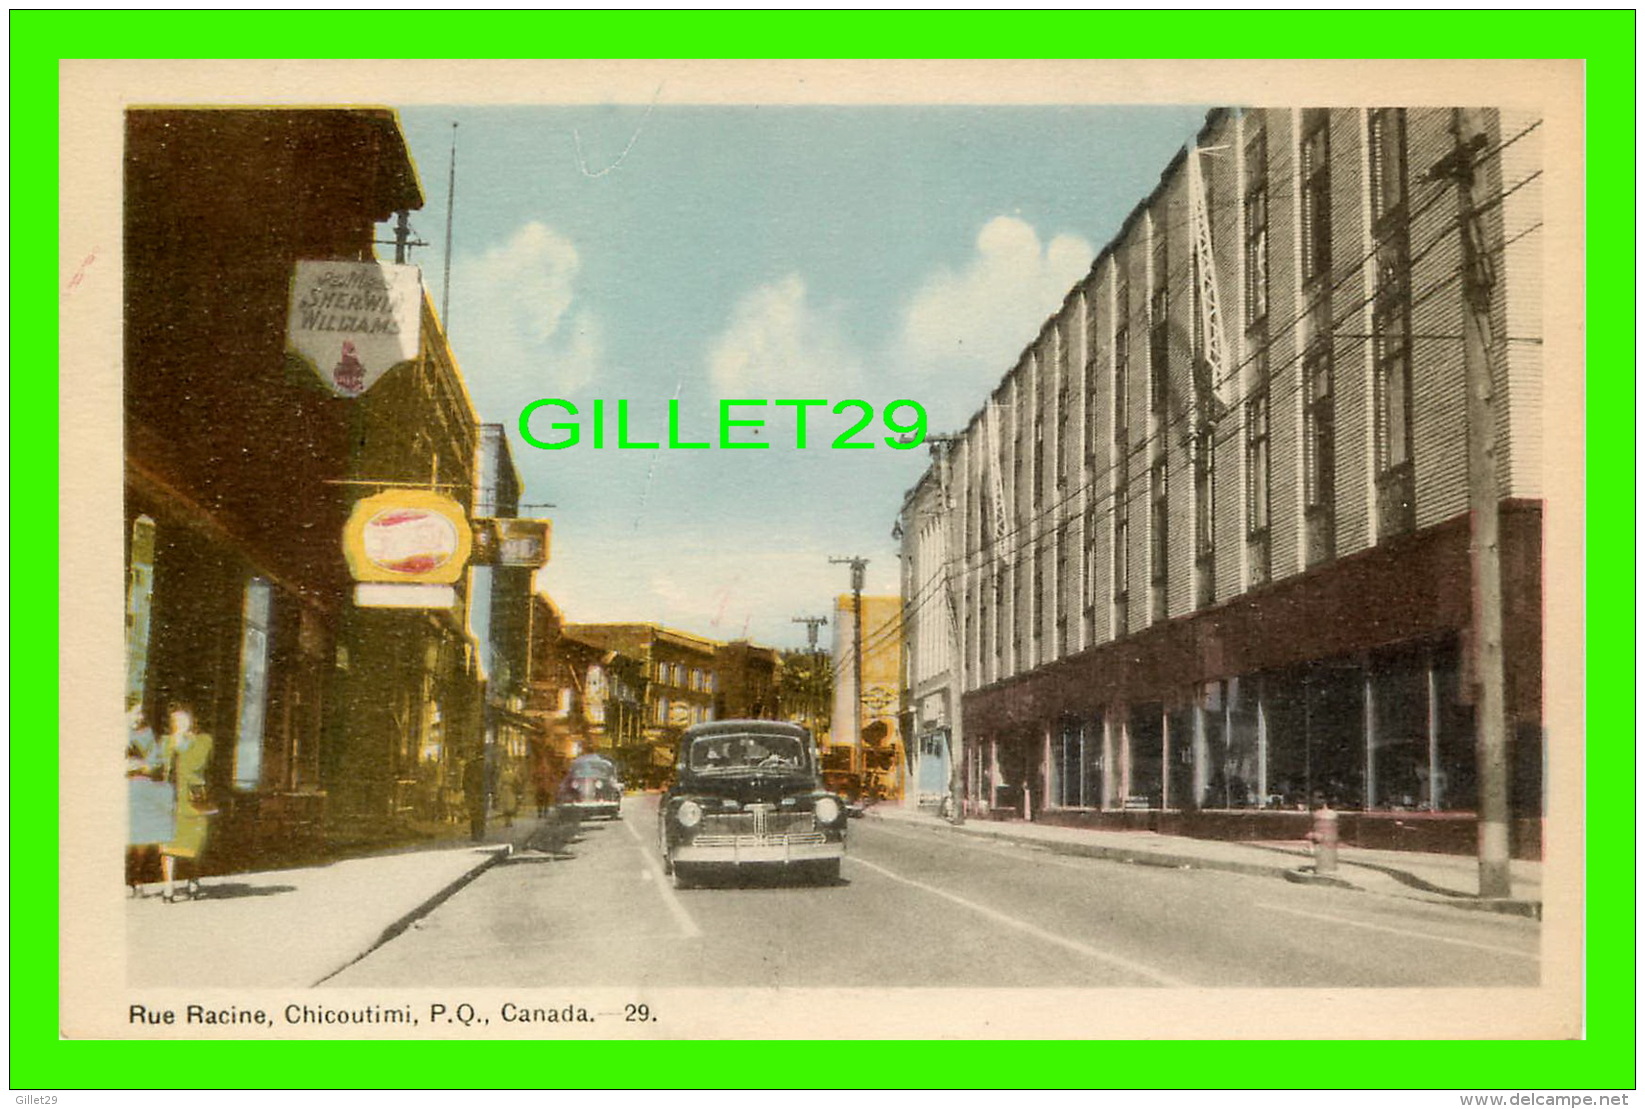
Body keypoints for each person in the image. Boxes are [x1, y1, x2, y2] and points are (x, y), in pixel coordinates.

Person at [159, 706, 213, 903]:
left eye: (185, 720)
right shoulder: (166, 741)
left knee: (194, 844)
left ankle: (193, 881)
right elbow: (163, 764)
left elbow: (197, 764)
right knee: (167, 846)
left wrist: (182, 743)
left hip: (192, 799)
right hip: (169, 799)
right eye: (177, 721)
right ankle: (168, 888)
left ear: (192, 721)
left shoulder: (203, 741)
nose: (181, 724)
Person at [126, 704, 173, 895]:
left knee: (140, 839)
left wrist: (137, 766)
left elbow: (155, 763)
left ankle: (136, 880)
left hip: (140, 789)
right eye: (135, 713)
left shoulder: (147, 734)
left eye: (141, 713)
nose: (139, 717)